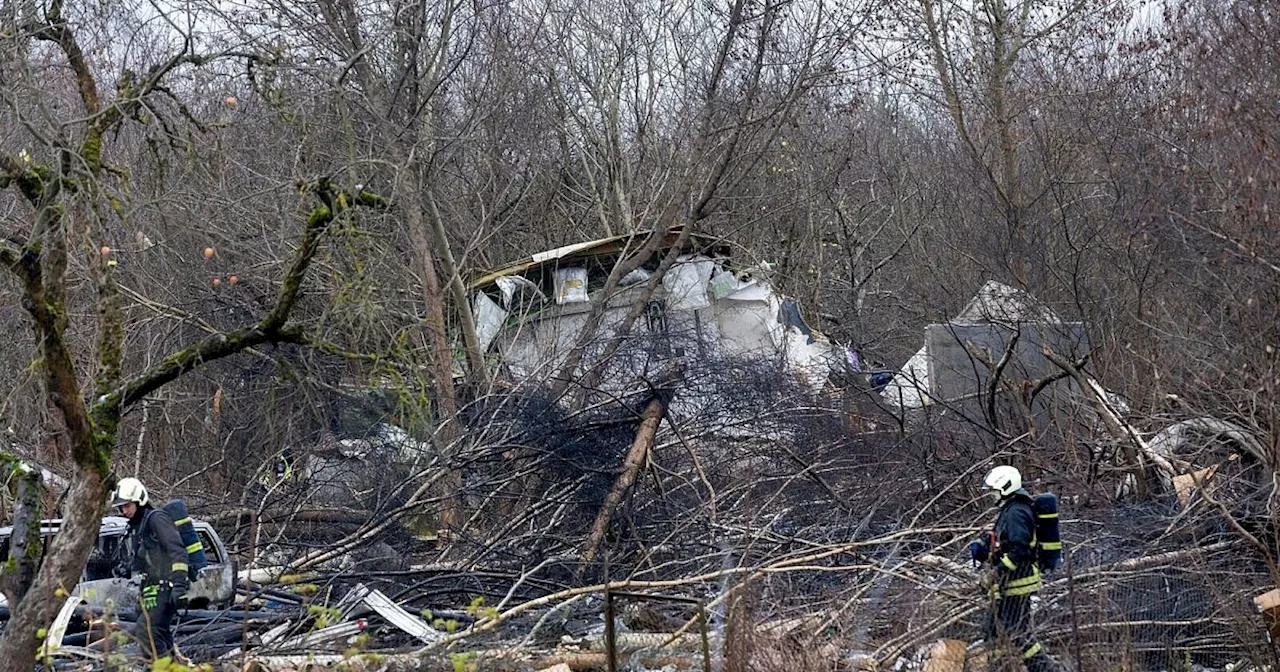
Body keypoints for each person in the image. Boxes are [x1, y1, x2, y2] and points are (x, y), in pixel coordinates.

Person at [969, 466, 1057, 672]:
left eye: (994, 490)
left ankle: (1044, 669)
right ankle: (999, 667)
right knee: (991, 630)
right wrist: (983, 548)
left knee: (1018, 632)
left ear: (1005, 487)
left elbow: (1019, 549)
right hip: (1006, 584)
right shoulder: (1009, 509)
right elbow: (1003, 541)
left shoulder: (1017, 511)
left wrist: (996, 572)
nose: (991, 495)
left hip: (1018, 582)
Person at [110, 477, 190, 662]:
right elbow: (148, 558)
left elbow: (177, 551)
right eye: (121, 507)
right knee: (159, 634)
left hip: (166, 587)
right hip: (151, 589)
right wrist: (128, 568)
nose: (124, 511)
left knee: (147, 632)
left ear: (139, 500)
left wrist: (179, 586)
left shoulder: (156, 519)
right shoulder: (140, 526)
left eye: (127, 506)